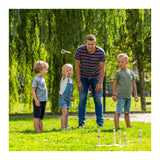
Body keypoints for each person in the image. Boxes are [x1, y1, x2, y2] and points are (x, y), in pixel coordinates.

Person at [74, 34, 106, 128]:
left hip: (96, 77)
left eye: (92, 44)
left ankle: (100, 122)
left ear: (95, 43)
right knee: (83, 98)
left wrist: (100, 83)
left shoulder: (100, 52)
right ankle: (81, 122)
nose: (90, 46)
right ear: (85, 43)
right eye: (89, 44)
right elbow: (77, 66)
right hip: (83, 77)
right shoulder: (80, 50)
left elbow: (102, 68)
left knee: (98, 99)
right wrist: (79, 81)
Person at [112, 54, 139, 129]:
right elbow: (114, 84)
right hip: (120, 97)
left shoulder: (131, 73)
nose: (120, 64)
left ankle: (128, 126)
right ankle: (117, 128)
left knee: (127, 112)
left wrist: (136, 95)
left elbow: (134, 85)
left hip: (128, 97)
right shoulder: (118, 73)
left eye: (122, 62)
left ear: (127, 62)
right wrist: (114, 95)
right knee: (118, 112)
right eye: (119, 62)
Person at [31, 60, 49, 132]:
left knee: (41, 116)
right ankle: (36, 129)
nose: (46, 71)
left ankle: (41, 129)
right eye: (45, 70)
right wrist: (36, 100)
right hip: (38, 100)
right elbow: (33, 90)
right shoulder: (36, 79)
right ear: (40, 70)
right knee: (37, 116)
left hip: (43, 100)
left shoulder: (42, 79)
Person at [58, 63, 74, 130]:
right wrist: (64, 72)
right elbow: (64, 74)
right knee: (64, 112)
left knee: (67, 113)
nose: (69, 72)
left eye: (70, 70)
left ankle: (66, 126)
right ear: (64, 71)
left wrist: (71, 96)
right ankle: (62, 127)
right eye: (67, 71)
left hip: (68, 98)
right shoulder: (64, 78)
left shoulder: (71, 80)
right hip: (63, 97)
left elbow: (70, 90)